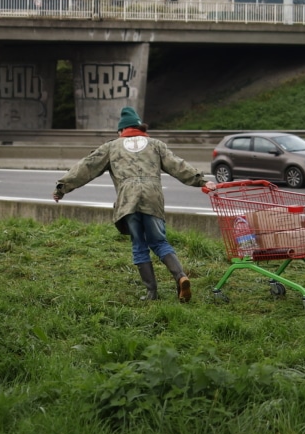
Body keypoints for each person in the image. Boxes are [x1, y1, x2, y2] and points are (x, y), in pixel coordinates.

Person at [52, 106, 215, 302]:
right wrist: (202, 181)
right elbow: (178, 165)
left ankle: (151, 293)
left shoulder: (112, 147)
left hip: (128, 200)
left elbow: (87, 166)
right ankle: (181, 277)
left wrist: (62, 187)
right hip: (152, 197)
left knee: (139, 245)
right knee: (159, 242)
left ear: (121, 131)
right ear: (140, 128)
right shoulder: (155, 145)